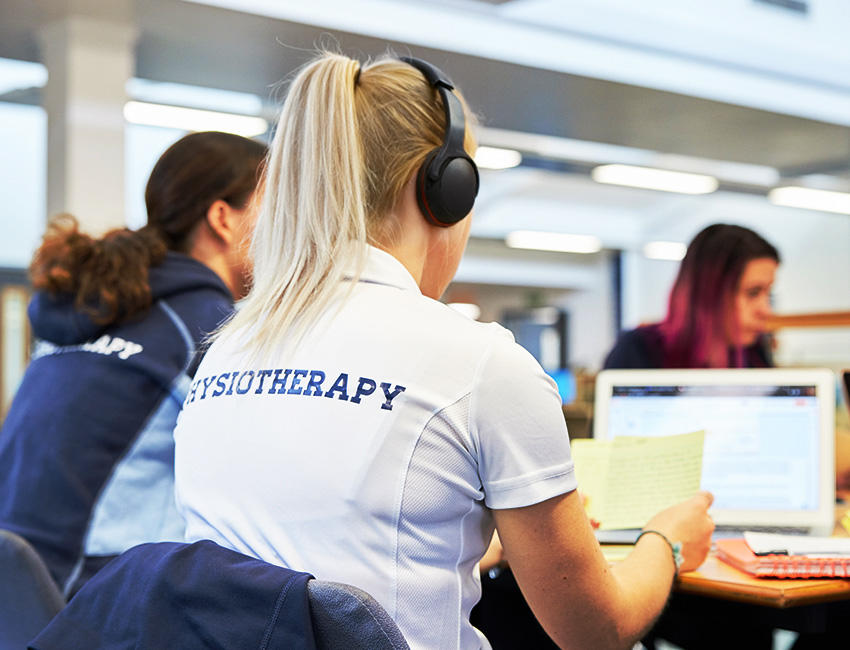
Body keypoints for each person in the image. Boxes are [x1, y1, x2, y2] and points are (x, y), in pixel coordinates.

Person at [173, 53, 713, 650]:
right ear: (445, 192)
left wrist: (479, 537)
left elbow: (320, 565)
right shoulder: (480, 364)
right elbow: (596, 631)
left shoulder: (227, 350)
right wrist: (666, 540)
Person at [0, 131, 267, 597]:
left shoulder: (94, 303)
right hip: (91, 604)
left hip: (19, 590)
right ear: (223, 218)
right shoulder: (208, 330)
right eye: (276, 210)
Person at [605, 223, 780, 370]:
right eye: (753, 293)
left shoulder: (754, 354)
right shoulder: (639, 350)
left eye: (768, 294)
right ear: (711, 293)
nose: (765, 310)